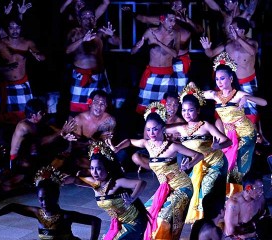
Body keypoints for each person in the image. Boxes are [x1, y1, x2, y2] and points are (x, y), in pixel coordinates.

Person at [107, 101, 204, 240]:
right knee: (147, 214)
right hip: (165, 188)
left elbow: (198, 155)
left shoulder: (172, 146)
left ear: (163, 128)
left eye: (155, 129)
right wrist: (117, 148)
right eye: (148, 130)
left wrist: (189, 164)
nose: (151, 133)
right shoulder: (147, 143)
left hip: (182, 187)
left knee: (163, 218)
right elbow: (129, 141)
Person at [190, 54, 267, 197]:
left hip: (245, 135)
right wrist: (193, 88)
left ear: (231, 79)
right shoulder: (215, 95)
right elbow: (195, 94)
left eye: (223, 78)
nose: (219, 81)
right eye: (217, 79)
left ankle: (235, 196)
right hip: (228, 136)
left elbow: (264, 103)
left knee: (237, 166)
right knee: (221, 164)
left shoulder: (238, 94)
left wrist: (247, 97)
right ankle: (225, 196)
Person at [165, 85, 231, 223]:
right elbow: (159, 129)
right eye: (184, 110)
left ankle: (207, 221)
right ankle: (204, 221)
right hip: (198, 165)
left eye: (190, 110)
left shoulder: (205, 125)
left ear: (198, 110)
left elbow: (228, 141)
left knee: (206, 188)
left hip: (216, 164)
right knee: (192, 191)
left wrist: (219, 146)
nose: (187, 114)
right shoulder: (180, 128)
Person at [199, 17, 268, 144]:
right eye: (230, 28)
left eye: (233, 28)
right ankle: (231, 138)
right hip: (232, 83)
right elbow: (211, 53)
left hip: (248, 82)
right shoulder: (228, 44)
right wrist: (206, 48)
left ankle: (254, 137)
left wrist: (238, 39)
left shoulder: (252, 43)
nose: (230, 30)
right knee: (231, 109)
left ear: (242, 30)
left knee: (250, 109)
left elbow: (252, 52)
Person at [0, 165, 101, 240]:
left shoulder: (65, 216)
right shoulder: (38, 213)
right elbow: (13, 206)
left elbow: (95, 220)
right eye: (41, 199)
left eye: (48, 198)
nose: (44, 202)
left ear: (56, 196)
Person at [65, 140, 149, 239]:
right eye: (92, 168)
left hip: (134, 223)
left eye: (98, 168)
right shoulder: (94, 183)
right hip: (118, 223)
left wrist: (132, 198)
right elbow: (75, 180)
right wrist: (61, 179)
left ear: (107, 168)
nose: (94, 172)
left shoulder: (117, 182)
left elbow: (141, 183)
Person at [123, 0, 203, 94]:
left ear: (184, 9)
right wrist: (131, 12)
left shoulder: (187, 24)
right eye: (172, 5)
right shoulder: (165, 20)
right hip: (164, 61)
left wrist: (187, 20)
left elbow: (200, 31)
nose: (173, 7)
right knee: (164, 91)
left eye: (177, 6)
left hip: (180, 60)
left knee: (180, 91)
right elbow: (145, 18)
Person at [0, 17, 45, 127]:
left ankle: (25, 140)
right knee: (5, 119)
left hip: (22, 85)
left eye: (17, 27)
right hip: (6, 86)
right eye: (11, 28)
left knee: (26, 117)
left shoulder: (27, 43)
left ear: (21, 28)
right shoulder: (0, 44)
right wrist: (4, 68)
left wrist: (38, 56)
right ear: (7, 29)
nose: (14, 30)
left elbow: (42, 56)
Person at [65, 6, 120, 116]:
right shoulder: (75, 33)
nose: (88, 20)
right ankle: (75, 131)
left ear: (95, 19)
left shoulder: (100, 32)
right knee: (77, 109)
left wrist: (112, 35)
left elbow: (117, 42)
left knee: (103, 107)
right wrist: (82, 40)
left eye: (91, 17)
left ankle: (103, 131)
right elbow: (67, 50)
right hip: (80, 76)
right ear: (80, 20)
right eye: (85, 17)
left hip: (99, 76)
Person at [9, 98, 75, 179]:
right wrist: (61, 132)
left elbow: (51, 129)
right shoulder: (24, 126)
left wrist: (65, 134)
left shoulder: (37, 122)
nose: (44, 114)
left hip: (31, 153)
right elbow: (41, 142)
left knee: (61, 142)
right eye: (41, 113)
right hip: (18, 160)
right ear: (33, 115)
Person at [131, 10, 182, 115]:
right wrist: (137, 46)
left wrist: (158, 43)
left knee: (167, 107)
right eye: (171, 20)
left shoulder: (176, 34)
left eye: (174, 21)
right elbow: (132, 52)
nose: (173, 23)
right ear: (162, 20)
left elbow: (175, 54)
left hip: (167, 75)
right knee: (145, 106)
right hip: (152, 74)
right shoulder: (150, 32)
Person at [58, 90, 116, 175]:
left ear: (106, 106)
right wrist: (92, 140)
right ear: (90, 103)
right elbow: (75, 145)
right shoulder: (79, 119)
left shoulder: (110, 121)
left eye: (102, 104)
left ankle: (94, 171)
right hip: (83, 155)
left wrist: (103, 142)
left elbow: (111, 145)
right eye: (96, 102)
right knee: (75, 160)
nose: (99, 107)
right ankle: (94, 171)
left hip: (100, 154)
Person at [224, 172, 271, 239]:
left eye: (262, 187)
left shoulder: (261, 198)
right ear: (248, 188)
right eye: (258, 188)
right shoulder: (234, 204)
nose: (261, 191)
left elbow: (263, 218)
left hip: (254, 234)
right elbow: (231, 233)